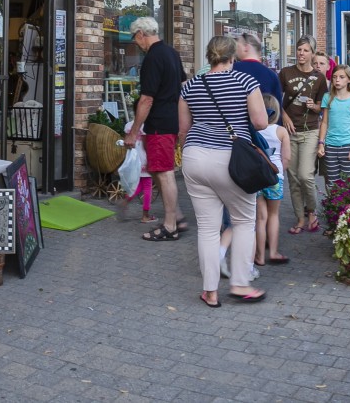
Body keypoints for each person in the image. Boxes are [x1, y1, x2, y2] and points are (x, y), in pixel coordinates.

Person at [178, 35, 269, 306]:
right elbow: (261, 122)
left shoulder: (189, 86)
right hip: (231, 159)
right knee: (243, 221)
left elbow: (183, 129)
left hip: (194, 157)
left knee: (207, 228)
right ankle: (240, 284)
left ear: (209, 56)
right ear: (233, 57)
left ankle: (210, 291)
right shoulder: (245, 81)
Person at [124, 16, 188, 241]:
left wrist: (133, 132)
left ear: (141, 33)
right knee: (157, 168)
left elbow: (146, 100)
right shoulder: (172, 53)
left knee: (165, 172)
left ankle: (170, 226)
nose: (136, 43)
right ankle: (177, 215)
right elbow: (183, 87)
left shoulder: (152, 58)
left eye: (135, 38)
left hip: (159, 123)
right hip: (169, 121)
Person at [279, 35, 328, 235]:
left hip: (310, 130)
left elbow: (322, 107)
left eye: (306, 50)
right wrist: (284, 117)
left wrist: (314, 106)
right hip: (290, 132)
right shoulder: (285, 73)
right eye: (299, 49)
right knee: (293, 178)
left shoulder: (319, 78)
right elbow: (274, 98)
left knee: (305, 175)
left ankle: (312, 211)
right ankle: (300, 217)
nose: (301, 53)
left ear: (312, 53)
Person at [254, 95, 290, 268]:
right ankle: (273, 252)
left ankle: (259, 256)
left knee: (260, 218)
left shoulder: (253, 130)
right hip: (275, 177)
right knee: (273, 215)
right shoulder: (281, 131)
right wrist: (282, 171)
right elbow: (287, 157)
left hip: (257, 176)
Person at [317, 65, 350, 187]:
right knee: (332, 182)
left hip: (347, 146)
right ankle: (333, 205)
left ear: (349, 79)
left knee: (348, 183)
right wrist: (321, 143)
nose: (337, 80)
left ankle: (348, 206)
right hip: (330, 146)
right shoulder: (327, 97)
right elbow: (324, 122)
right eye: (334, 77)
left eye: (342, 77)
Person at [119, 119, 156, 223]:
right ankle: (145, 215)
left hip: (133, 159)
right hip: (144, 158)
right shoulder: (146, 126)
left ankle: (125, 201)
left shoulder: (128, 125)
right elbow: (146, 145)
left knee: (138, 185)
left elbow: (126, 143)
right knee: (148, 187)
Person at [233, 32, 282, 107]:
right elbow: (277, 109)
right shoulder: (271, 75)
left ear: (246, 47)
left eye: (238, 47)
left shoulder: (232, 70)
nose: (236, 50)